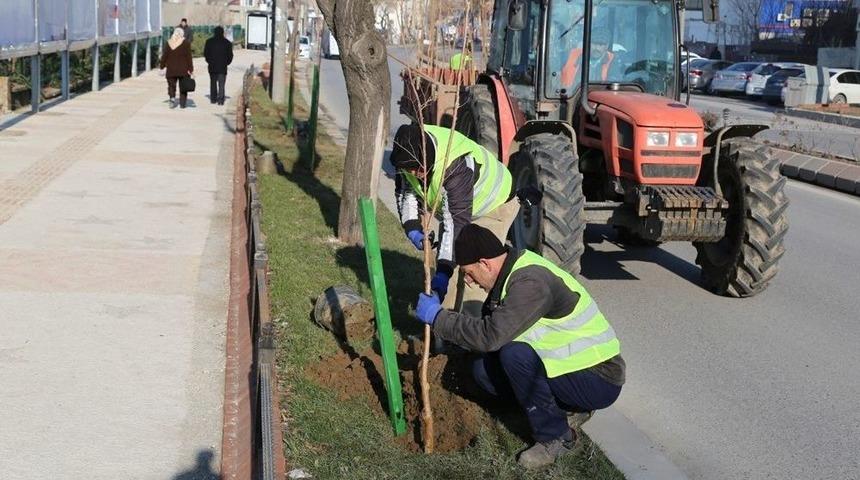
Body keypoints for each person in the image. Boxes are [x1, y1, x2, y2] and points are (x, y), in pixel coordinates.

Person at [414, 224, 626, 470]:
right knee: (483, 369)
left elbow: (490, 336)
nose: (469, 281)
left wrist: (438, 318)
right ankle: (561, 408)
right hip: (568, 369)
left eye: (469, 273)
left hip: (598, 377)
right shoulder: (509, 273)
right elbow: (488, 334)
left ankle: (556, 437)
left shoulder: (529, 283)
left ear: (485, 263)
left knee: (514, 354)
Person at [391, 124, 518, 317]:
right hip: (461, 206)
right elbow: (406, 195)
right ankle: (444, 327)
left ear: (428, 156)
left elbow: (455, 225)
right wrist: (413, 230)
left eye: (419, 168)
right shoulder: (406, 153)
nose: (416, 173)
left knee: (475, 271)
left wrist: (443, 273)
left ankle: (470, 331)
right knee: (450, 263)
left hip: (494, 203)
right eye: (411, 169)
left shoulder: (454, 163)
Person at [159, 28, 194, 109]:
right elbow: (189, 57)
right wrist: (191, 69)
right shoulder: (186, 43)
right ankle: (182, 104)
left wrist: (162, 65)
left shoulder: (169, 42)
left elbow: (165, 56)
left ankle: (172, 98)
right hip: (183, 69)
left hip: (171, 69)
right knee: (183, 86)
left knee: (171, 85)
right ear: (182, 34)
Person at [204, 26, 234, 105]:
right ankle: (221, 100)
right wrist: (227, 62)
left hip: (212, 66)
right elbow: (230, 55)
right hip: (222, 66)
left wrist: (209, 61)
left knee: (213, 83)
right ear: (222, 32)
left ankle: (213, 99)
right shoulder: (227, 43)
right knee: (221, 84)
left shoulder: (209, 42)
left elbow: (206, 54)